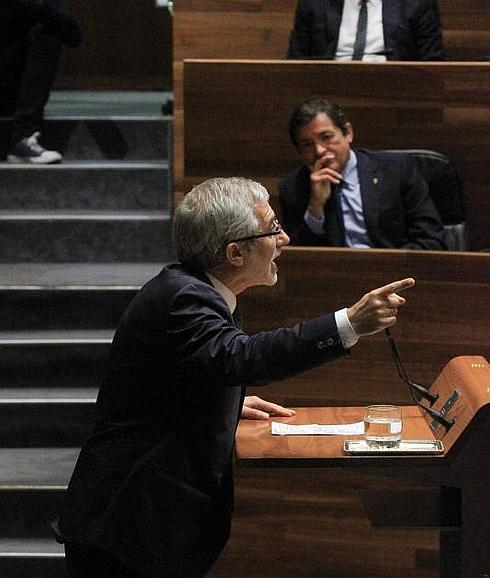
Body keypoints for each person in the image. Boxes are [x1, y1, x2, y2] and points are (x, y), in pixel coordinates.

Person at [55, 176, 415, 577]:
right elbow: (241, 357)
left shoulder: (199, 292)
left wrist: (225, 400)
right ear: (235, 253)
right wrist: (347, 323)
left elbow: (188, 370)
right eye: (273, 229)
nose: (285, 239)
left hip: (145, 522)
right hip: (128, 525)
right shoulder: (183, 299)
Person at [279, 98, 447, 249]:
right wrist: (315, 208)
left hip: (398, 274)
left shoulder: (397, 169)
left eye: (326, 137)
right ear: (299, 151)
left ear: (348, 133)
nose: (320, 150)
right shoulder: (292, 188)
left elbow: (431, 240)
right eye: (307, 144)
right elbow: (299, 258)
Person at [0, 0, 81, 163]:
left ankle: (22, 138)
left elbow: (73, 36)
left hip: (10, 89)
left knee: (47, 38)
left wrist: (40, 5)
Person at [287, 0, 446, 61]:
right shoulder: (314, 4)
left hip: (395, 91)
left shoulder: (416, 4)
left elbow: (432, 63)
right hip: (326, 92)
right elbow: (296, 60)